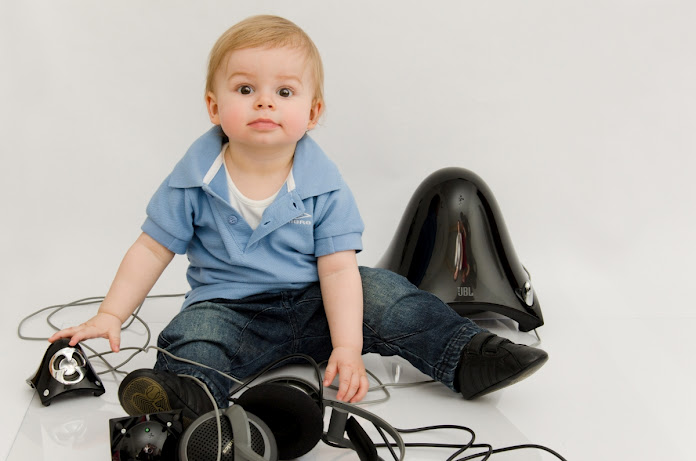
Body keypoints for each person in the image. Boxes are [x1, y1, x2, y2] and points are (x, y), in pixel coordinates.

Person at [49, 15, 547, 426]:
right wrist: (111, 314)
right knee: (194, 336)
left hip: (319, 306)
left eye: (284, 92)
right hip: (228, 310)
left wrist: (347, 346)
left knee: (385, 292)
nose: (265, 101)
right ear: (214, 107)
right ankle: (186, 395)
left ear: (312, 112)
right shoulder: (193, 180)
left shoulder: (324, 184)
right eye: (246, 88)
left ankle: (468, 356)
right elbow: (151, 248)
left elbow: (337, 269)